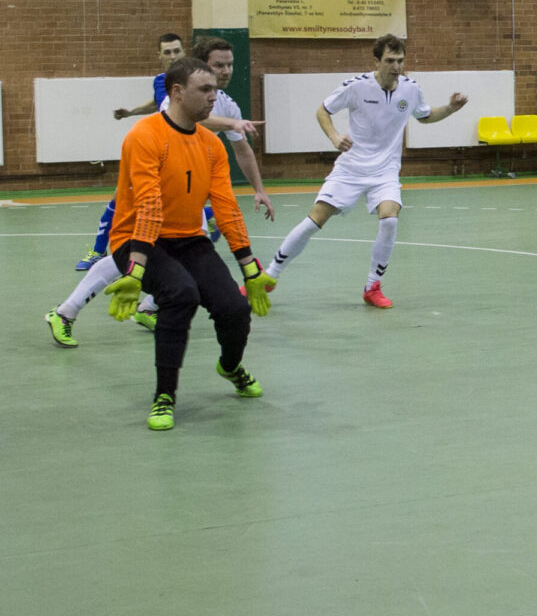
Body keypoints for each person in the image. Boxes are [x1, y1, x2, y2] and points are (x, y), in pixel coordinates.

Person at [45, 37, 275, 347]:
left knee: (181, 257)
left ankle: (141, 306)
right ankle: (68, 312)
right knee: (131, 256)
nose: (226, 71)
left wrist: (259, 188)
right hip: (152, 194)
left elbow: (242, 148)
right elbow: (189, 120)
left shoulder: (226, 104)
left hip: (186, 200)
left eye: (230, 65)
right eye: (218, 65)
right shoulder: (182, 97)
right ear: (201, 68)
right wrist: (232, 123)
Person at [87, 58, 276, 430]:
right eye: (204, 90)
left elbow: (226, 207)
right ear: (177, 92)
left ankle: (231, 366)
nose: (213, 96)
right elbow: (148, 203)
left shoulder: (211, 145)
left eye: (215, 90)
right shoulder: (144, 135)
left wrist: (250, 268)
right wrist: (136, 269)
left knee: (235, 308)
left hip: (188, 239)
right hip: (136, 240)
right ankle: (164, 395)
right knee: (180, 293)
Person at [264, 34, 467, 308]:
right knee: (316, 218)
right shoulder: (357, 86)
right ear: (377, 61)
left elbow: (425, 115)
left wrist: (451, 109)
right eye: (390, 60)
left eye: (400, 60)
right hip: (351, 168)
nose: (396, 66)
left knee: (390, 219)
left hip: (385, 172)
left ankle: (373, 286)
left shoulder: (410, 89)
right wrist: (335, 137)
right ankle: (270, 276)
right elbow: (322, 111)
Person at [78, 32, 188, 270]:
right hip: (155, 150)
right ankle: (98, 250)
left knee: (180, 201)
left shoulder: (194, 82)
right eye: (167, 52)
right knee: (121, 195)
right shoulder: (160, 81)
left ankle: (206, 220)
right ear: (159, 55)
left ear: (184, 52)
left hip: (183, 154)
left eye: (176, 51)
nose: (172, 56)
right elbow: (157, 103)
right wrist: (131, 112)